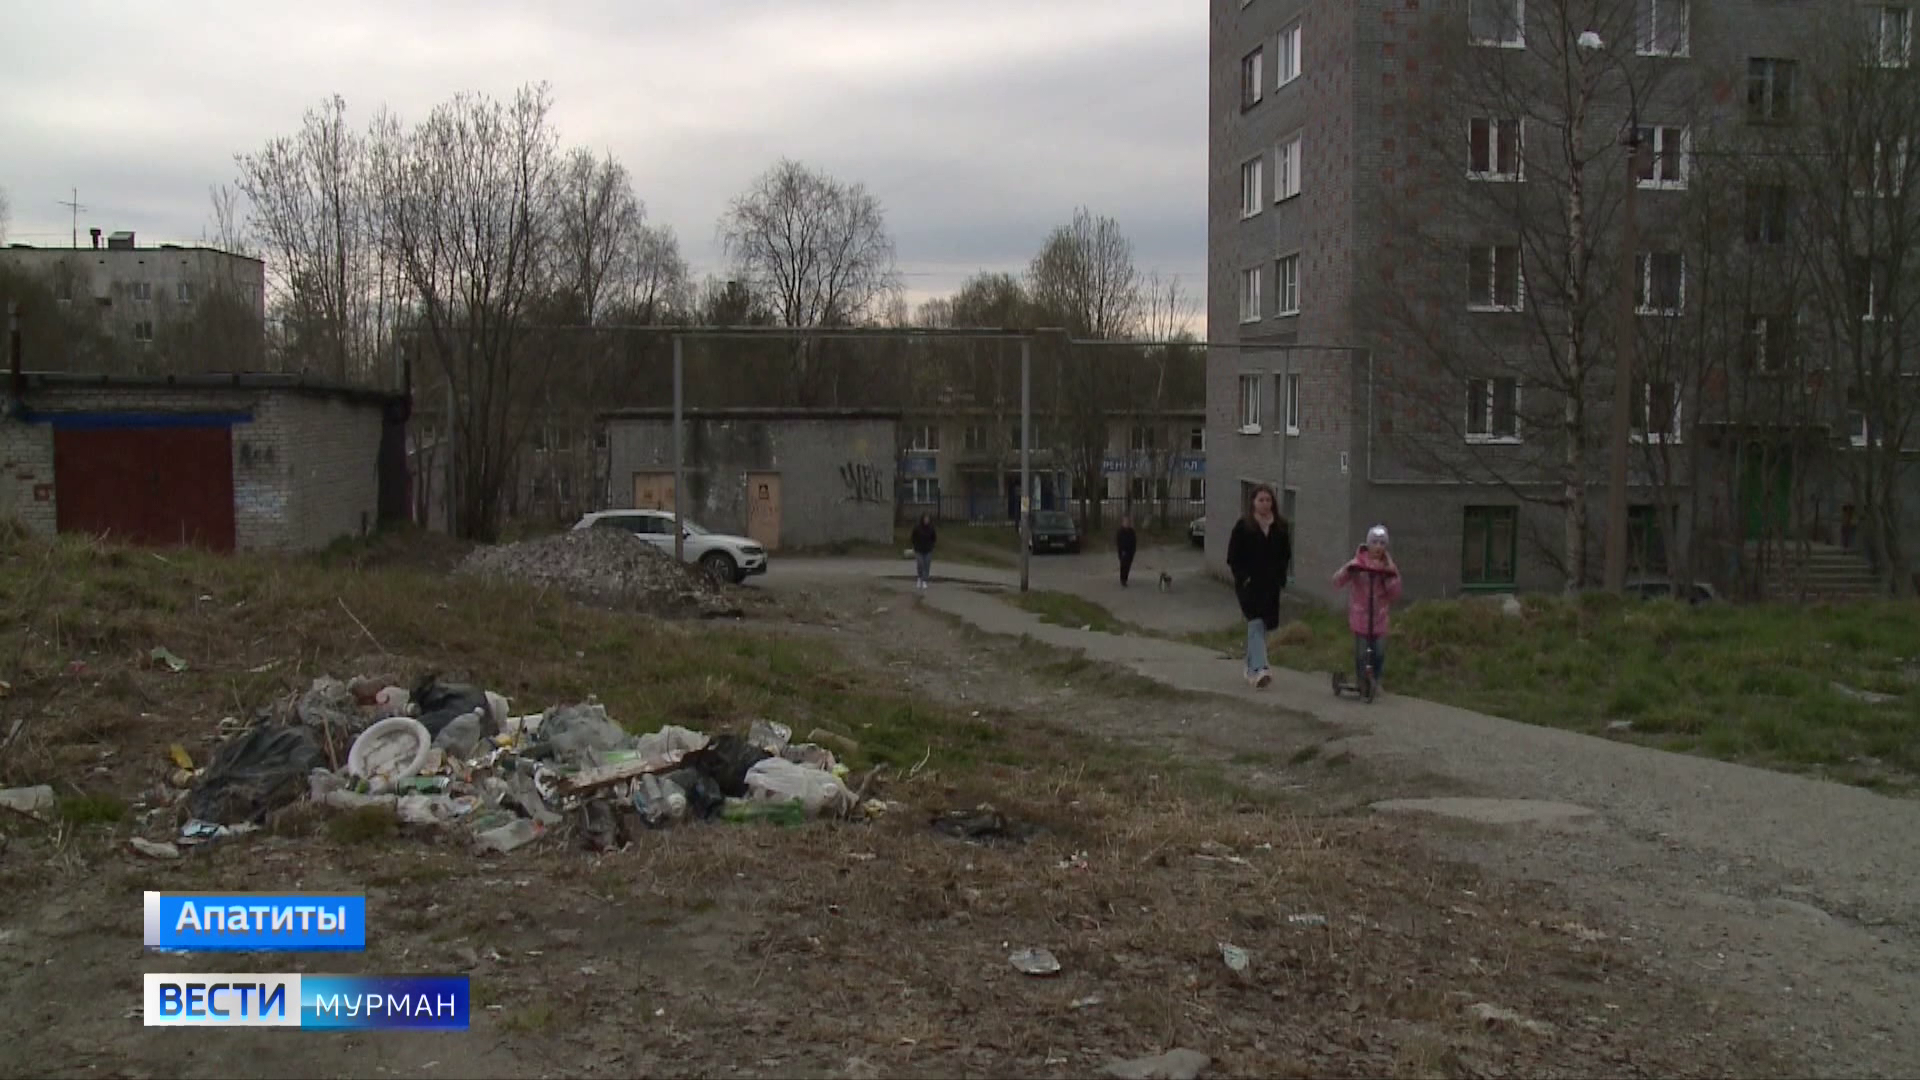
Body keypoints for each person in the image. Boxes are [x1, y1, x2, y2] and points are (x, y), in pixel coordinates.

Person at [1227, 485, 1291, 689]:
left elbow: (1285, 555)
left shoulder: (1280, 527)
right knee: (1254, 621)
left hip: (1270, 584)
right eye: (1260, 500)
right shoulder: (1243, 526)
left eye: (1268, 500)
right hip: (1249, 584)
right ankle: (1262, 668)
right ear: (1253, 502)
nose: (1265, 504)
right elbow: (1233, 556)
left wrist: (1281, 578)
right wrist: (1243, 577)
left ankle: (1251, 667)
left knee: (1262, 625)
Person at [1333, 525, 1403, 696]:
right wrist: (1348, 571)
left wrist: (1389, 578)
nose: (1378, 547)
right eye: (1374, 542)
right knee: (1361, 653)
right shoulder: (1358, 563)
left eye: (1382, 543)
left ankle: (1376, 681)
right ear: (1368, 544)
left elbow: (1395, 593)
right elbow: (1338, 580)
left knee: (1378, 652)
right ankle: (1361, 680)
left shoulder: (1389, 567)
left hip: (1379, 617)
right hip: (1361, 617)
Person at [910, 513, 937, 591]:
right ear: (922, 519)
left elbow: (934, 538)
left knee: (927, 565)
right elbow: (913, 537)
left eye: (927, 519)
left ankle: (924, 580)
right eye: (925, 519)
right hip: (919, 549)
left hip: (928, 550)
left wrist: (932, 546)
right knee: (920, 564)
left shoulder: (931, 528)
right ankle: (919, 578)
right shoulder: (917, 528)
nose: (926, 520)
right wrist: (914, 545)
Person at [1116, 515, 1139, 587]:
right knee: (1123, 566)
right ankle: (1123, 579)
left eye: (1128, 522)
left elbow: (1134, 541)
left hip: (1130, 552)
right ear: (1123, 523)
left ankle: (1125, 578)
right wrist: (1121, 550)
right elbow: (1118, 542)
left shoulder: (1132, 531)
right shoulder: (1120, 531)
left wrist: (1133, 550)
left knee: (1128, 566)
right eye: (1125, 522)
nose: (1127, 523)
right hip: (1123, 552)